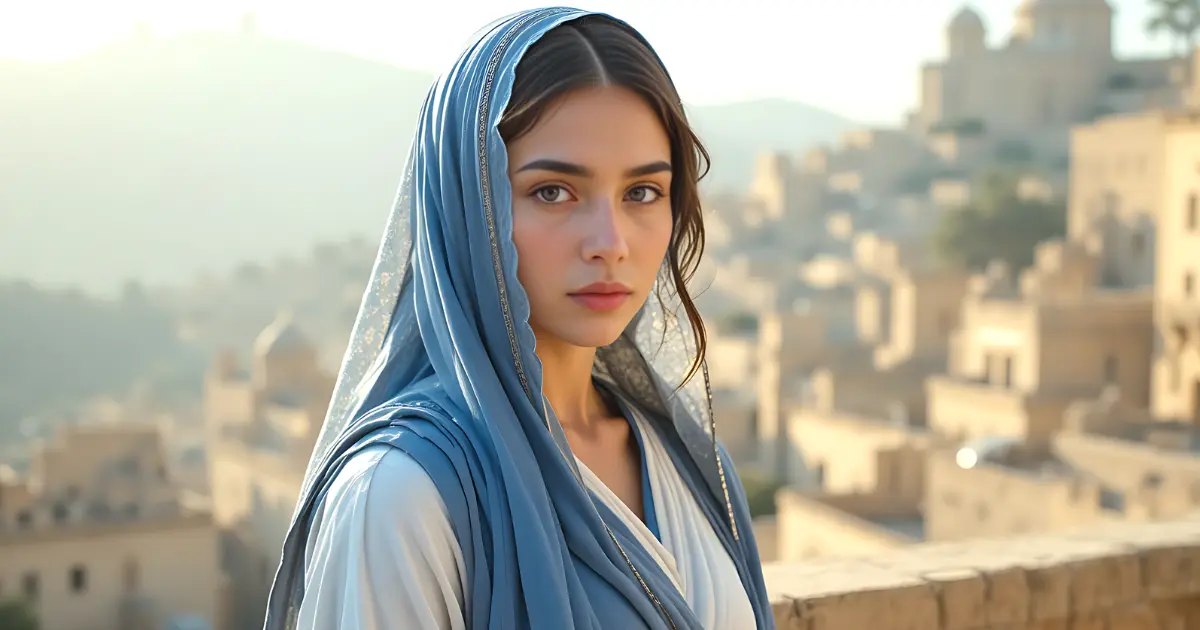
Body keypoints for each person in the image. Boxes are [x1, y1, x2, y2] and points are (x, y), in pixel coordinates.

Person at [264, 8, 773, 630]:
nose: (610, 243)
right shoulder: (400, 496)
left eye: (641, 193)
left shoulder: (689, 459)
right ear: (467, 208)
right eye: (552, 192)